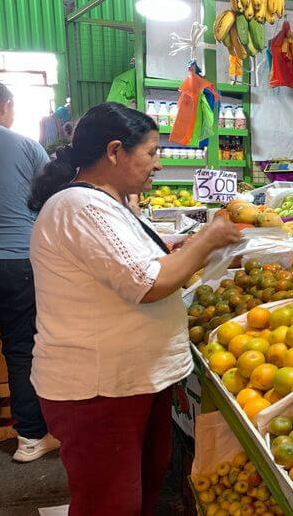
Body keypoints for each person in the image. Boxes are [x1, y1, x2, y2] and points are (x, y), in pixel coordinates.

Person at [27, 102, 241, 515]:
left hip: (131, 382)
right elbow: (149, 284)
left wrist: (181, 249)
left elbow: (135, 265)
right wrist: (208, 239)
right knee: (110, 502)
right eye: (151, 152)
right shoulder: (80, 207)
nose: (157, 164)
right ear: (114, 152)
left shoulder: (108, 204)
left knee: (136, 491)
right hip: (99, 387)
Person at [0, 79, 59, 462]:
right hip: (15, 258)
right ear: (4, 106)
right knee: (21, 346)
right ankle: (30, 439)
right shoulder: (24, 145)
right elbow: (49, 198)